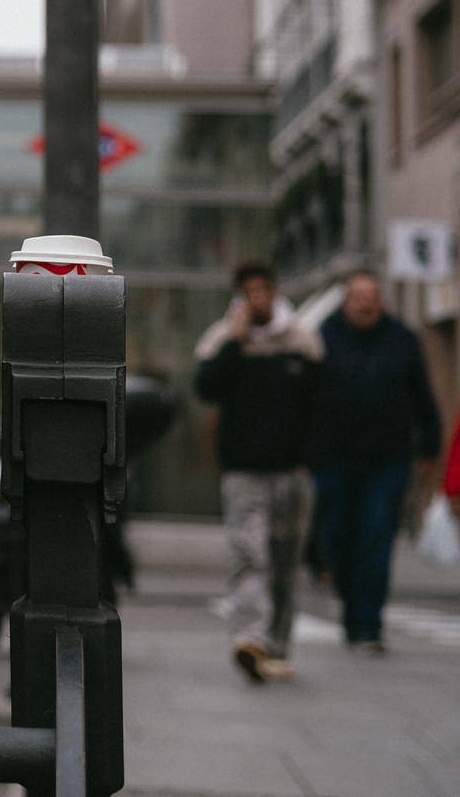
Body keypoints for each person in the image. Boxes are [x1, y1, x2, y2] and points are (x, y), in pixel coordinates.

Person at [191, 261, 322, 682]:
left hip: (292, 471)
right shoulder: (223, 339)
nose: (258, 299)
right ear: (240, 297)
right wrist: (236, 340)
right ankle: (250, 638)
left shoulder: (301, 340)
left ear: (274, 291)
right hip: (244, 471)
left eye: (263, 290)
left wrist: (311, 458)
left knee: (285, 562)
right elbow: (205, 388)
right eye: (249, 292)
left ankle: (277, 646)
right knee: (250, 556)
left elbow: (325, 405)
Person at [308, 270, 442, 654]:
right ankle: (351, 604)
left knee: (377, 537)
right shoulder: (323, 337)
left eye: (373, 296)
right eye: (359, 296)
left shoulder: (402, 339)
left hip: (388, 460)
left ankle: (370, 626)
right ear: (346, 301)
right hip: (334, 458)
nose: (367, 303)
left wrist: (429, 448)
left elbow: (423, 397)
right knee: (338, 537)